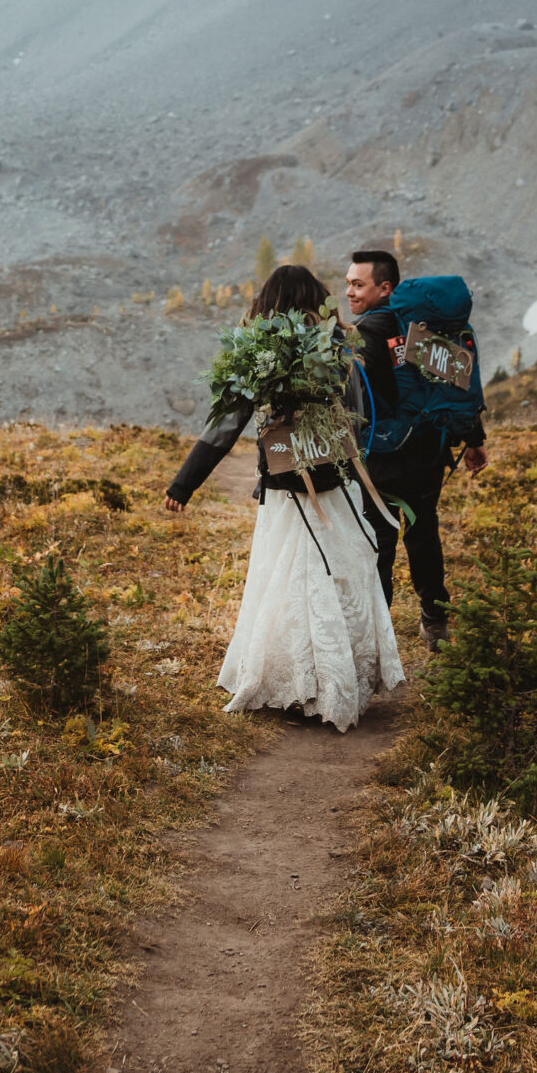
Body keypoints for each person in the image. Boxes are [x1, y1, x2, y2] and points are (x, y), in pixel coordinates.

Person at [162, 264, 404, 731]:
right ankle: (340, 679)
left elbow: (227, 423)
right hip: (335, 479)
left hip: (284, 486)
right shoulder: (338, 343)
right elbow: (356, 415)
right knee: (339, 573)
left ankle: (297, 681)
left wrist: (184, 484)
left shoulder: (258, 353)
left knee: (286, 579)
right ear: (316, 298)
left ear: (268, 304)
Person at [343, 249, 486, 646]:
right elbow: (457, 384)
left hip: (385, 455)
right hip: (429, 449)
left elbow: (354, 400)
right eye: (349, 283)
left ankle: (377, 632)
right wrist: (474, 441)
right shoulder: (428, 329)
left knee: (381, 540)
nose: (350, 292)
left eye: (358, 284)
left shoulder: (366, 334)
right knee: (423, 529)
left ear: (385, 287)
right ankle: (435, 618)